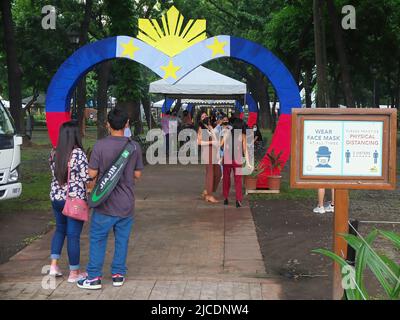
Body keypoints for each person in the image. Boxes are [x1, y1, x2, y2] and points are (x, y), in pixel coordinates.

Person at [77, 108, 144, 290]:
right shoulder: (134, 146)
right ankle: (118, 275)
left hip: (104, 203)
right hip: (126, 204)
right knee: (122, 240)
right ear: (127, 124)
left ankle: (94, 277)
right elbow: (137, 174)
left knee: (98, 239)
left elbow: (92, 174)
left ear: (107, 124)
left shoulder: (100, 146)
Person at [49, 121, 89, 283]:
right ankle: (74, 273)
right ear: (75, 136)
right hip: (74, 200)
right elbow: (86, 177)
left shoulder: (53, 153)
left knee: (60, 230)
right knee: (73, 236)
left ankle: (53, 265)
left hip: (56, 198)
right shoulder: (78, 154)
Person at [221, 118, 250, 208]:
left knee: (226, 179)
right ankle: (238, 200)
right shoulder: (243, 135)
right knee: (238, 180)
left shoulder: (227, 132)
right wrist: (248, 163)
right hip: (237, 159)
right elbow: (245, 150)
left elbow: (221, 144)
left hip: (227, 158)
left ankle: (225, 198)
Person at [197, 112, 221, 203]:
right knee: (210, 173)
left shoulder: (211, 127)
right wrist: (211, 143)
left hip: (214, 152)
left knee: (218, 173)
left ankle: (207, 190)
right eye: (202, 116)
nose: (205, 117)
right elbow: (198, 142)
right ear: (200, 119)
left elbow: (217, 141)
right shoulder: (200, 128)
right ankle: (209, 195)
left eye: (206, 116)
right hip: (207, 151)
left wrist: (211, 130)